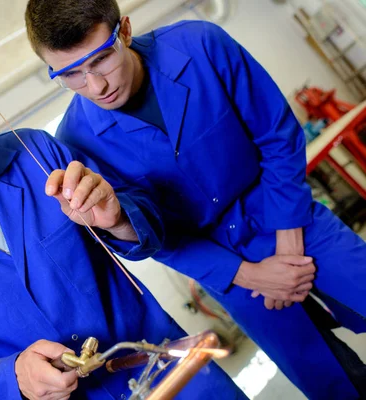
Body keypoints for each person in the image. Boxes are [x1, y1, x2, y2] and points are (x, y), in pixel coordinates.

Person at [0, 36, 246, 399]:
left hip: (171, 375)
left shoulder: (34, 154)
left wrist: (119, 216)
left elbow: (151, 227)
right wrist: (14, 379)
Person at [24, 1, 366, 399]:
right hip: (225, 269)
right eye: (70, 74)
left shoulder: (199, 45)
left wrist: (289, 240)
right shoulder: (76, 142)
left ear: (126, 31)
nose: (95, 86)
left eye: (100, 60)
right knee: (330, 382)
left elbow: (276, 135)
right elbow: (156, 237)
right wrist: (248, 275)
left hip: (289, 217)